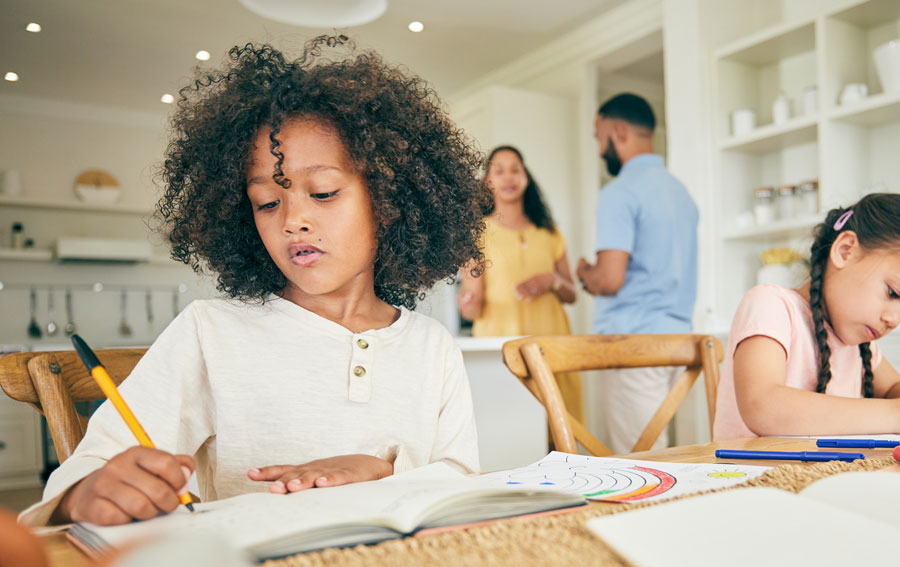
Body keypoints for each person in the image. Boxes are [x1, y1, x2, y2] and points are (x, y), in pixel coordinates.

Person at [20, 36, 487, 527]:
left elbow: (461, 477)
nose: (292, 221)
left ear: (392, 202)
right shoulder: (211, 332)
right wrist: (86, 492)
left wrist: (379, 472)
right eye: (267, 202)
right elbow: (90, 469)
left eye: (323, 192)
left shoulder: (432, 346)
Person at [713, 193, 900, 441]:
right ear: (845, 251)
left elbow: (893, 388)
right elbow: (764, 406)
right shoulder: (771, 305)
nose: (893, 320)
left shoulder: (858, 344)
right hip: (749, 482)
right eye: (893, 293)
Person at [576, 93, 698, 453]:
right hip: (680, 345)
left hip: (634, 346)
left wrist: (586, 273)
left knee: (641, 464)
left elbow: (610, 279)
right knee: (673, 456)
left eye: (599, 138)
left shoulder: (620, 192)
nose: (600, 151)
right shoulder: (681, 194)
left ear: (619, 131)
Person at [457, 146, 582, 421]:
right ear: (487, 182)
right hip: (501, 348)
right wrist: (468, 304)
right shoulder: (476, 235)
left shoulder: (551, 234)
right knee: (512, 430)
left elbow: (572, 294)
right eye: (499, 171)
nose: (508, 177)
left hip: (553, 344)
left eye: (515, 169)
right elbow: (471, 310)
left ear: (526, 177)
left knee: (560, 430)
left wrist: (552, 281)